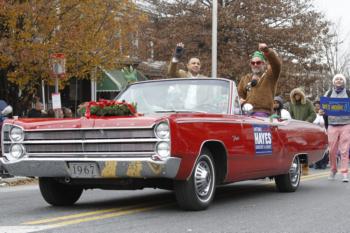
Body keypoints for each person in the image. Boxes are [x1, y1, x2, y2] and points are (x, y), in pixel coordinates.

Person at [237, 43, 282, 117]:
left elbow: (276, 64)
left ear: (264, 64)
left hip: (263, 113)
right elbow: (239, 95)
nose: (255, 65)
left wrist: (266, 50)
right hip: (246, 113)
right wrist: (240, 101)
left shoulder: (270, 75)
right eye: (253, 63)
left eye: (258, 62)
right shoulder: (245, 78)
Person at [324, 74, 350, 182]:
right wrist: (322, 112)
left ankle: (344, 173)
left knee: (344, 150)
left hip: (346, 124)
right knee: (332, 151)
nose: (339, 81)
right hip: (332, 125)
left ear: (343, 82)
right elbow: (324, 108)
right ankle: (333, 170)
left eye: (341, 79)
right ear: (334, 82)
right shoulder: (328, 93)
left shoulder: (348, 93)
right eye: (337, 79)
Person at [289, 87, 316, 175]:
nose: (296, 96)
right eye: (295, 95)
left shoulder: (308, 103)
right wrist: (293, 123)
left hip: (305, 129)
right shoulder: (292, 104)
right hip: (296, 129)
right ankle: (296, 168)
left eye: (298, 94)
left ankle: (305, 169)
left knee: (304, 149)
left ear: (301, 95)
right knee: (296, 149)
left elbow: (313, 114)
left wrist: (306, 122)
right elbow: (291, 115)